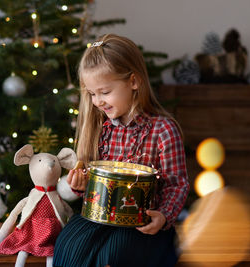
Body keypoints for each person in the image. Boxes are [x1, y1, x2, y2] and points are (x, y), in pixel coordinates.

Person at [53, 34, 190, 267]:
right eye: (92, 94)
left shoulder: (163, 130)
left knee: (115, 256)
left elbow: (177, 184)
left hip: (141, 225)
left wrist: (163, 216)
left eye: (104, 92)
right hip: (98, 221)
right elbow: (93, 185)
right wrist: (80, 185)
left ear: (133, 82)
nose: (97, 101)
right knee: (68, 244)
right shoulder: (99, 129)